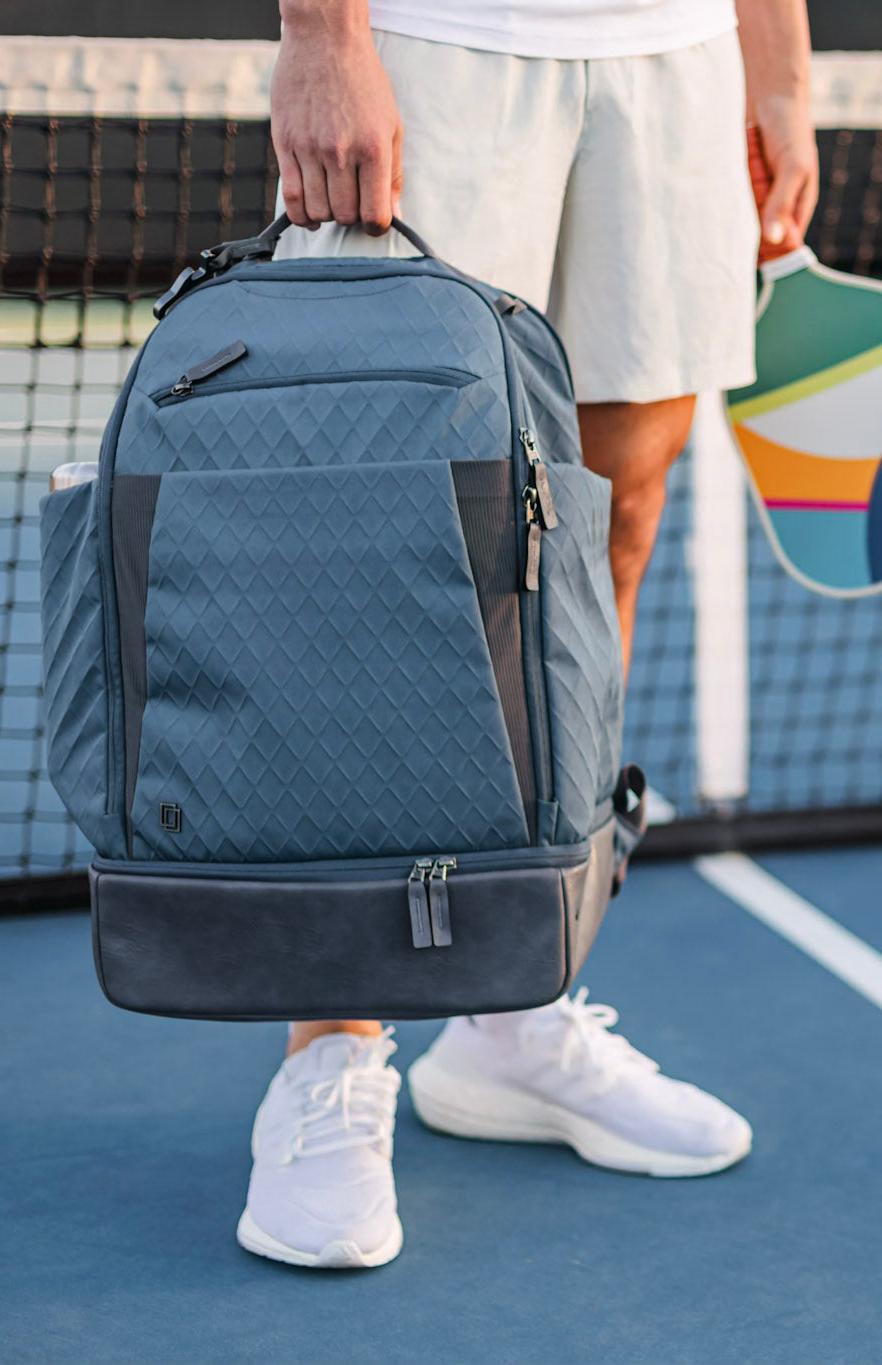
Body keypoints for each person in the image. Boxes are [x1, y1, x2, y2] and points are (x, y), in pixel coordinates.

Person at [237, 0, 819, 1269]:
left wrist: (777, 62)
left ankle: (514, 1004)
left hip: (672, 57)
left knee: (612, 525)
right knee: (387, 539)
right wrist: (325, 37)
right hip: (441, 42)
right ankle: (329, 1052)